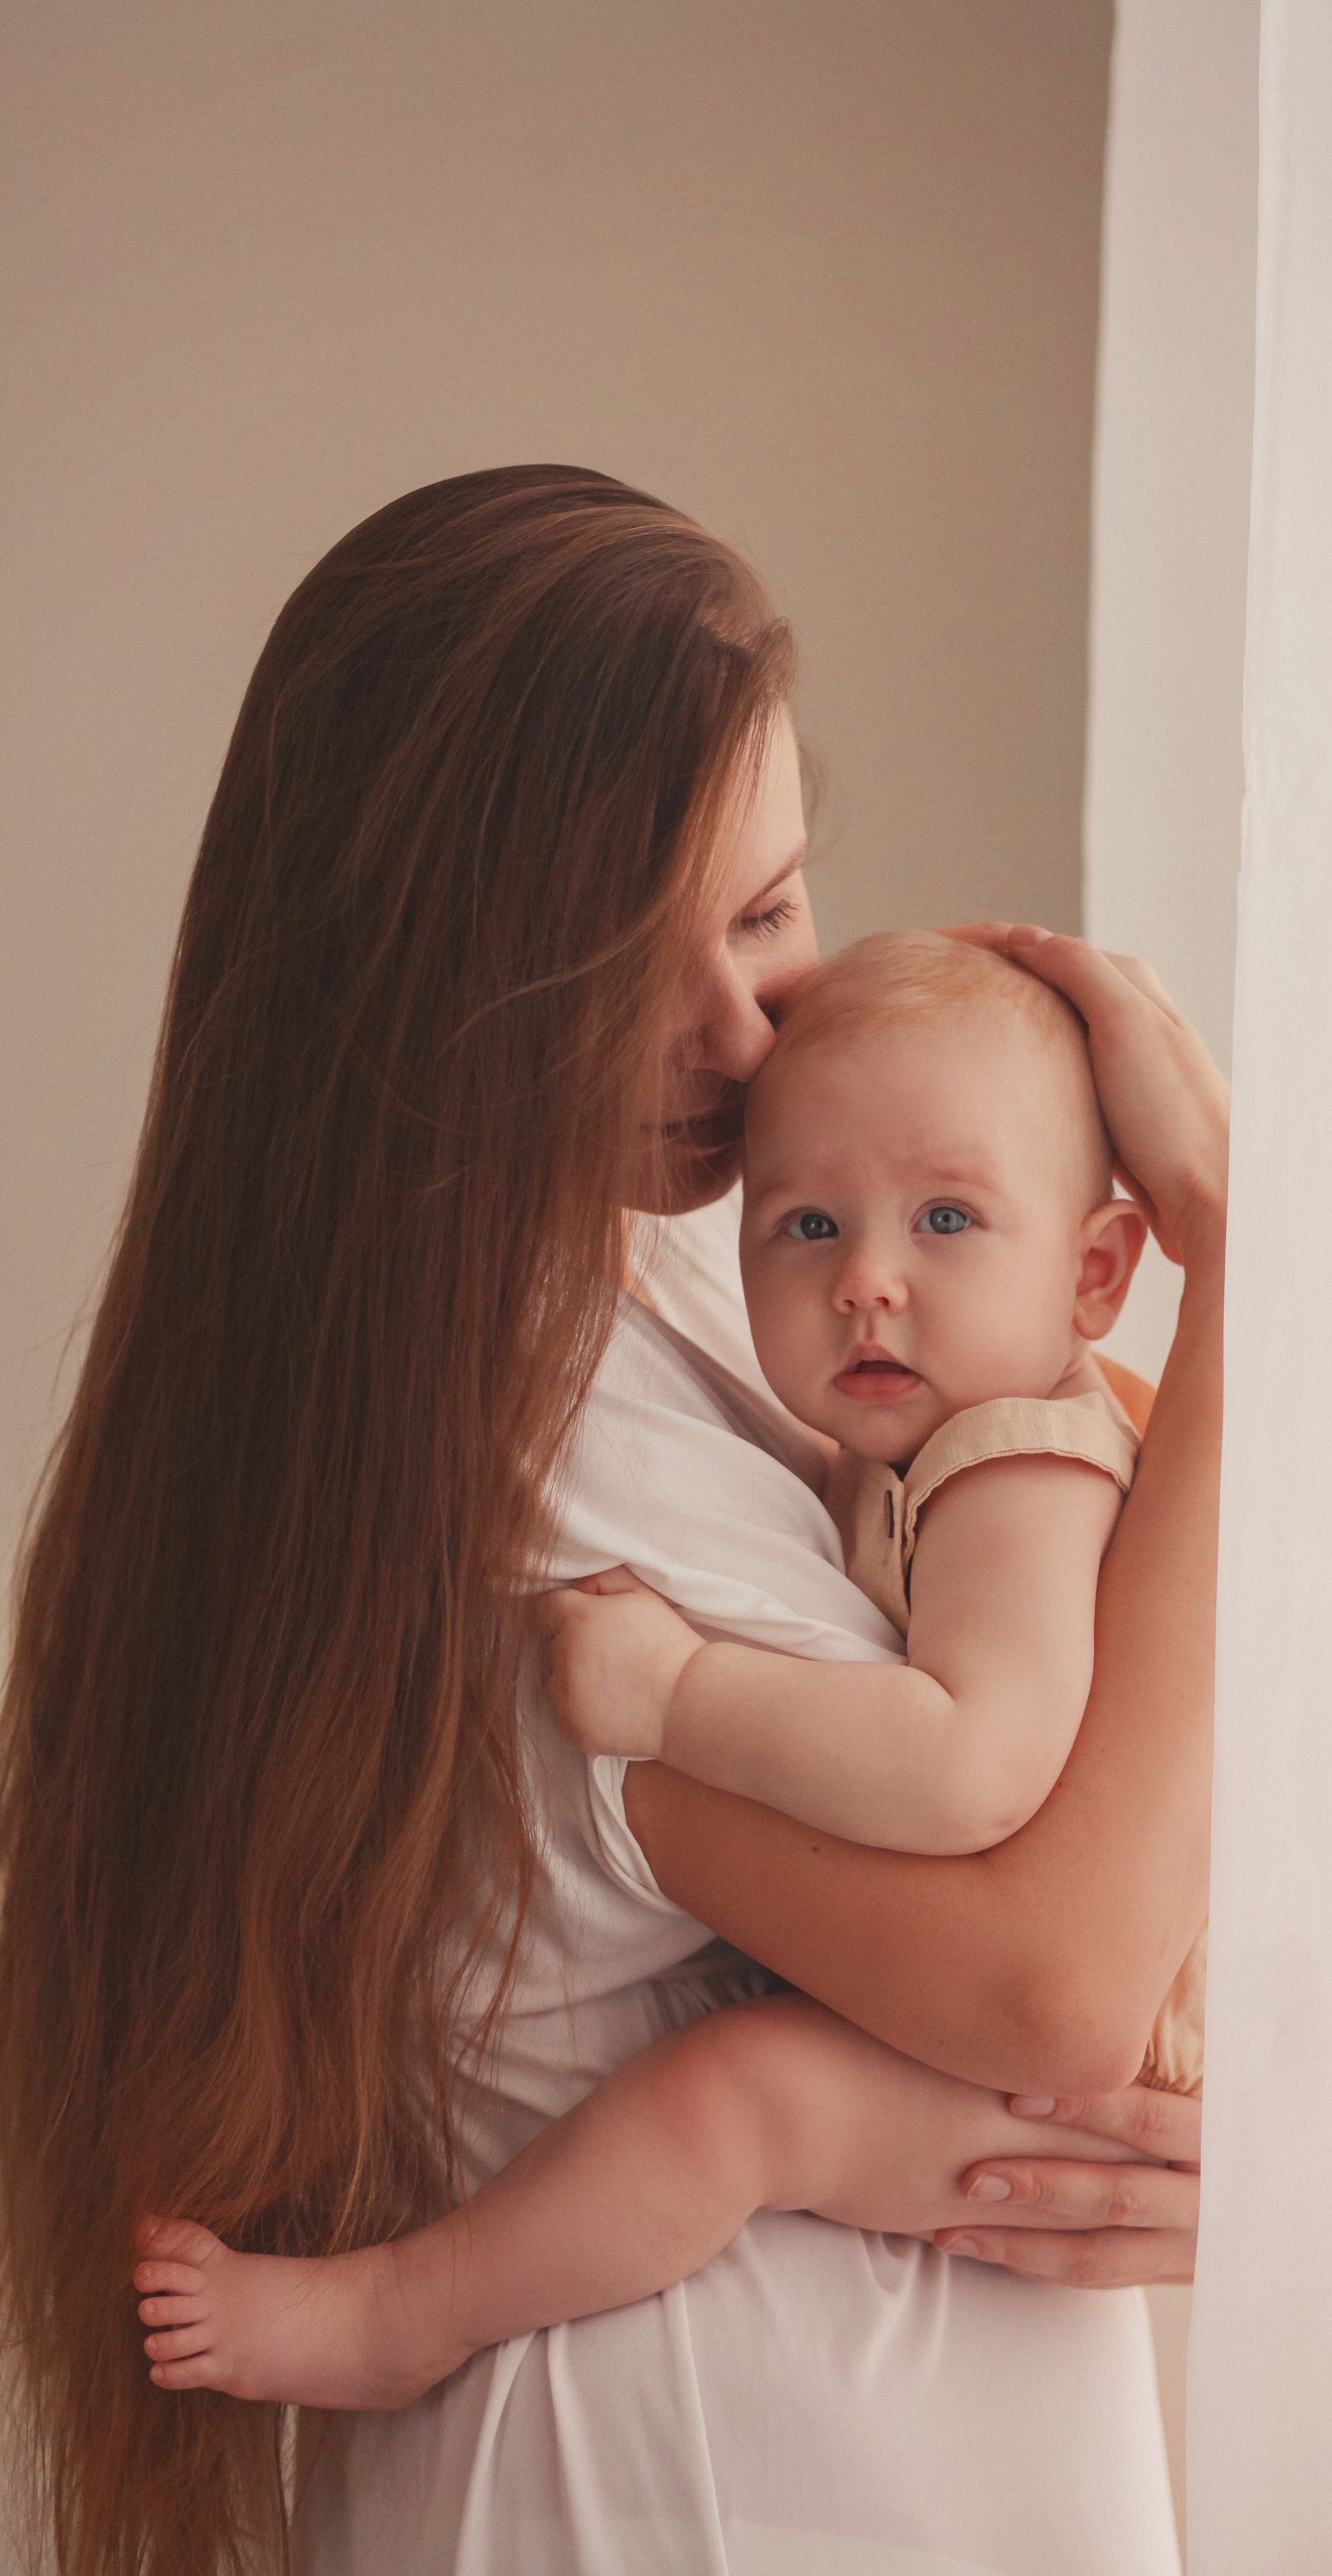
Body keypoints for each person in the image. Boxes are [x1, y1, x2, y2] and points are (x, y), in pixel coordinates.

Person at [0, 467, 1224, 2576]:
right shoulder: (531, 1448)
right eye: (625, 969)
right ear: (431, 990)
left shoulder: (669, 1281)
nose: (751, 1040)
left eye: (763, 913)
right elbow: (1048, 1988)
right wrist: (1250, 1283)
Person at [125, 932, 1205, 2416]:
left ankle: (400, 2313)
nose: (867, 1285)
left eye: (945, 1219)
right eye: (808, 1226)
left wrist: (679, 1696)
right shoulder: (918, 1439)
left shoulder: (1015, 1473)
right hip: (1093, 2055)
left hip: (1098, 2085)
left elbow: (968, 1766)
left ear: (1093, 1273)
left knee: (733, 2103)